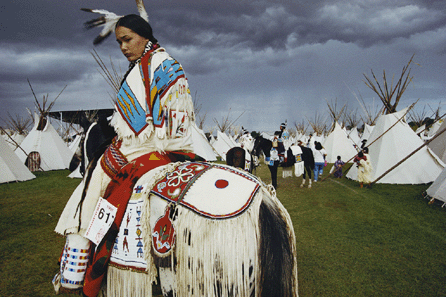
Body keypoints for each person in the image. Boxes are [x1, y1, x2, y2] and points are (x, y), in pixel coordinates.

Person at [52, 12, 195, 296]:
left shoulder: (152, 65)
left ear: (144, 36)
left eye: (127, 39)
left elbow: (145, 125)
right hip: (178, 146)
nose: (123, 48)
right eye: (119, 42)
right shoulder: (163, 62)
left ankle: (75, 271)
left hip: (145, 146)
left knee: (92, 181)